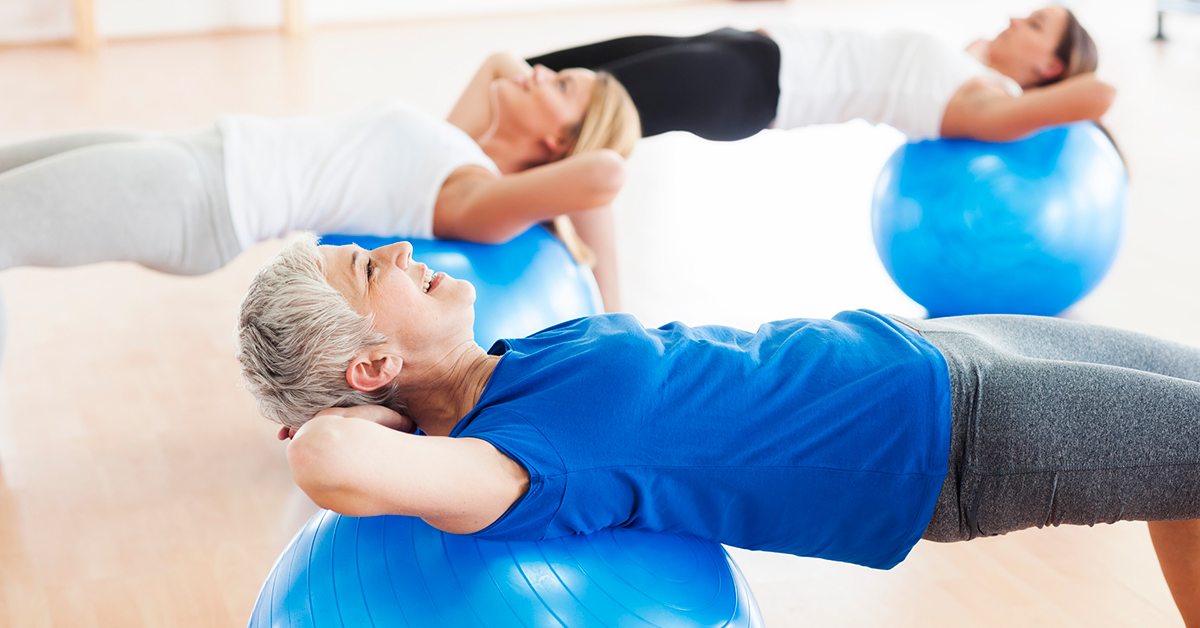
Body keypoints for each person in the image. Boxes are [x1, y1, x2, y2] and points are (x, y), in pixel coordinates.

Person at [238, 236, 1200, 626]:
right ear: (370, 368)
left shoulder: (516, 362)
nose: (402, 250)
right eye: (372, 270)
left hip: (931, 349)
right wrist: (338, 412)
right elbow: (328, 457)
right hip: (955, 439)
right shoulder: (508, 465)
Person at [0, 52, 639, 316]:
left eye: (561, 87)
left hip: (197, 200)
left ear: (560, 146)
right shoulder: (463, 140)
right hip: (194, 154)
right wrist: (551, 105)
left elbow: (605, 173)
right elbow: (500, 62)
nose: (538, 71)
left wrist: (613, 314)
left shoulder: (473, 196)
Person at [527, 6, 1114, 143]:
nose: (1015, 17)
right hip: (739, 48)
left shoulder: (987, 102)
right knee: (539, 74)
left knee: (553, 118)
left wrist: (1053, 92)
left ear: (1051, 66)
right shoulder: (972, 70)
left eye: (1034, 25)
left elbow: (1100, 92)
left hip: (746, 85)